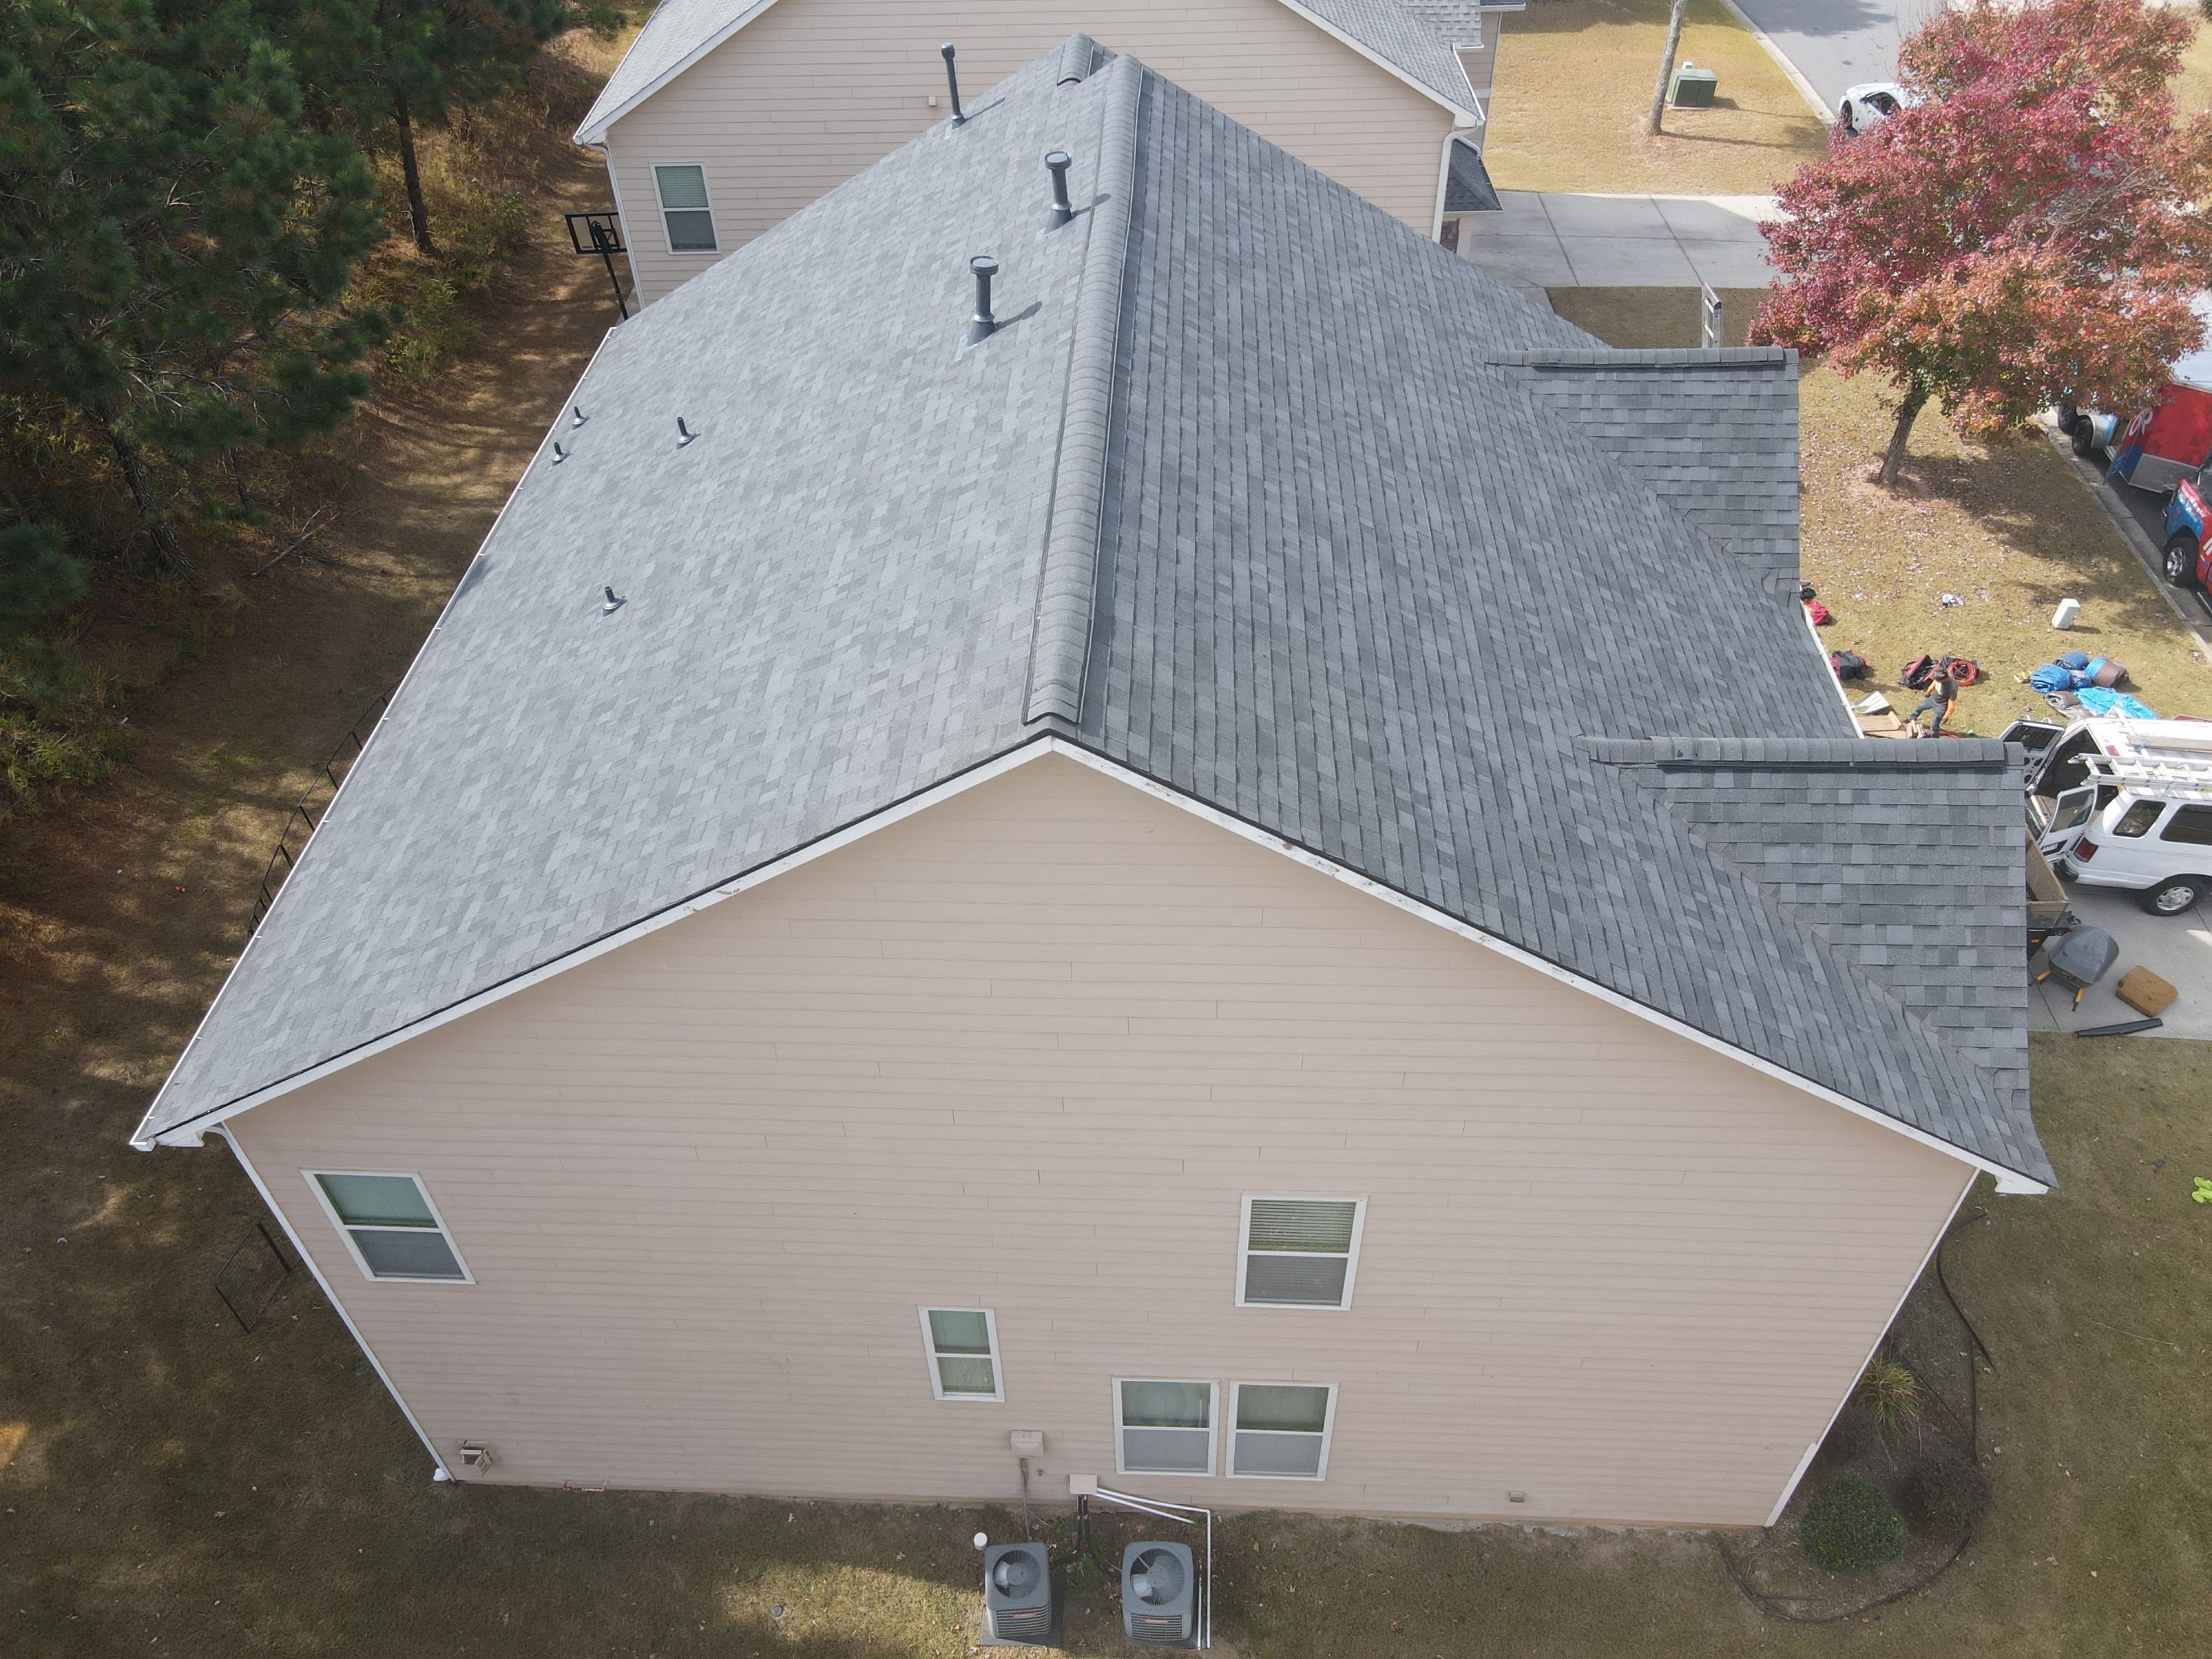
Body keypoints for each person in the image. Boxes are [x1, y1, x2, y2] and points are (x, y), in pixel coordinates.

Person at [1910, 666, 1957, 737]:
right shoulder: (1940, 676)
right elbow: (1935, 683)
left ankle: (1935, 739)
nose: (1935, 681)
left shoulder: (1952, 687)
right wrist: (1929, 691)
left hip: (1941, 706)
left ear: (1942, 680)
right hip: (1933, 698)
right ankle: (1910, 719)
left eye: (1937, 680)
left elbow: (1952, 704)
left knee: (1934, 724)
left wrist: (1947, 716)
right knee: (1919, 707)